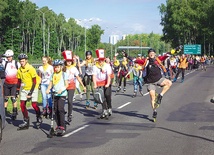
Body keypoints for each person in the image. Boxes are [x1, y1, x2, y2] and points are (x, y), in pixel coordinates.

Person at [135, 48, 172, 121]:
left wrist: (175, 50)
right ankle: (154, 111)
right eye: (150, 53)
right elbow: (135, 60)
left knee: (169, 83)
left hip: (158, 79)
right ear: (148, 54)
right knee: (152, 97)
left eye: (153, 53)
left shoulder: (158, 59)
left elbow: (167, 55)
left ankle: (160, 95)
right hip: (150, 82)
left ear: (155, 54)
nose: (151, 54)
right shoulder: (145, 61)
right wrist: (126, 56)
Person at [16, 53, 42, 130]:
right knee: (22, 105)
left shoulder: (31, 68)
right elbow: (19, 81)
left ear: (26, 61)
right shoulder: (19, 70)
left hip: (33, 88)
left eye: (23, 61)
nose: (21, 63)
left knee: (34, 105)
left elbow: (34, 81)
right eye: (20, 61)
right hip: (25, 88)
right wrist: (17, 91)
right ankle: (26, 120)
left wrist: (31, 92)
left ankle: (38, 116)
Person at [62, 50, 86, 123]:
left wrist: (83, 86)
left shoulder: (74, 68)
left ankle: (69, 114)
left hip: (71, 86)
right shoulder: (63, 68)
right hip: (63, 86)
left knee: (69, 101)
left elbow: (78, 77)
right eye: (67, 61)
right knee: (61, 101)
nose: (69, 62)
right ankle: (62, 112)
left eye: (70, 61)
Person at [46, 59, 68, 135]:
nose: (56, 68)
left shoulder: (64, 74)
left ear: (61, 67)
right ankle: (58, 125)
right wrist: (48, 89)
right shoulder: (53, 75)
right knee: (55, 109)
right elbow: (51, 83)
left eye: (58, 67)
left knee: (60, 109)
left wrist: (61, 90)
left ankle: (62, 126)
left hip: (62, 94)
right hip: (55, 94)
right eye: (55, 67)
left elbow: (66, 84)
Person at [93, 49, 112, 119]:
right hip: (99, 83)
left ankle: (109, 107)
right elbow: (94, 76)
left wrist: (107, 84)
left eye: (102, 60)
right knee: (101, 97)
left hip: (106, 81)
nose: (101, 61)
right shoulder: (95, 67)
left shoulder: (107, 66)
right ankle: (104, 109)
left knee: (107, 95)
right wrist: (95, 84)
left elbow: (109, 75)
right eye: (100, 60)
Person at [3, 49, 20, 120]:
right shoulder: (5, 63)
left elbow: (20, 72)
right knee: (6, 98)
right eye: (7, 57)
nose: (8, 58)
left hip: (14, 83)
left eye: (9, 57)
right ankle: (4, 112)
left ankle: (14, 111)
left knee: (13, 98)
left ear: (12, 56)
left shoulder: (16, 63)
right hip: (7, 83)